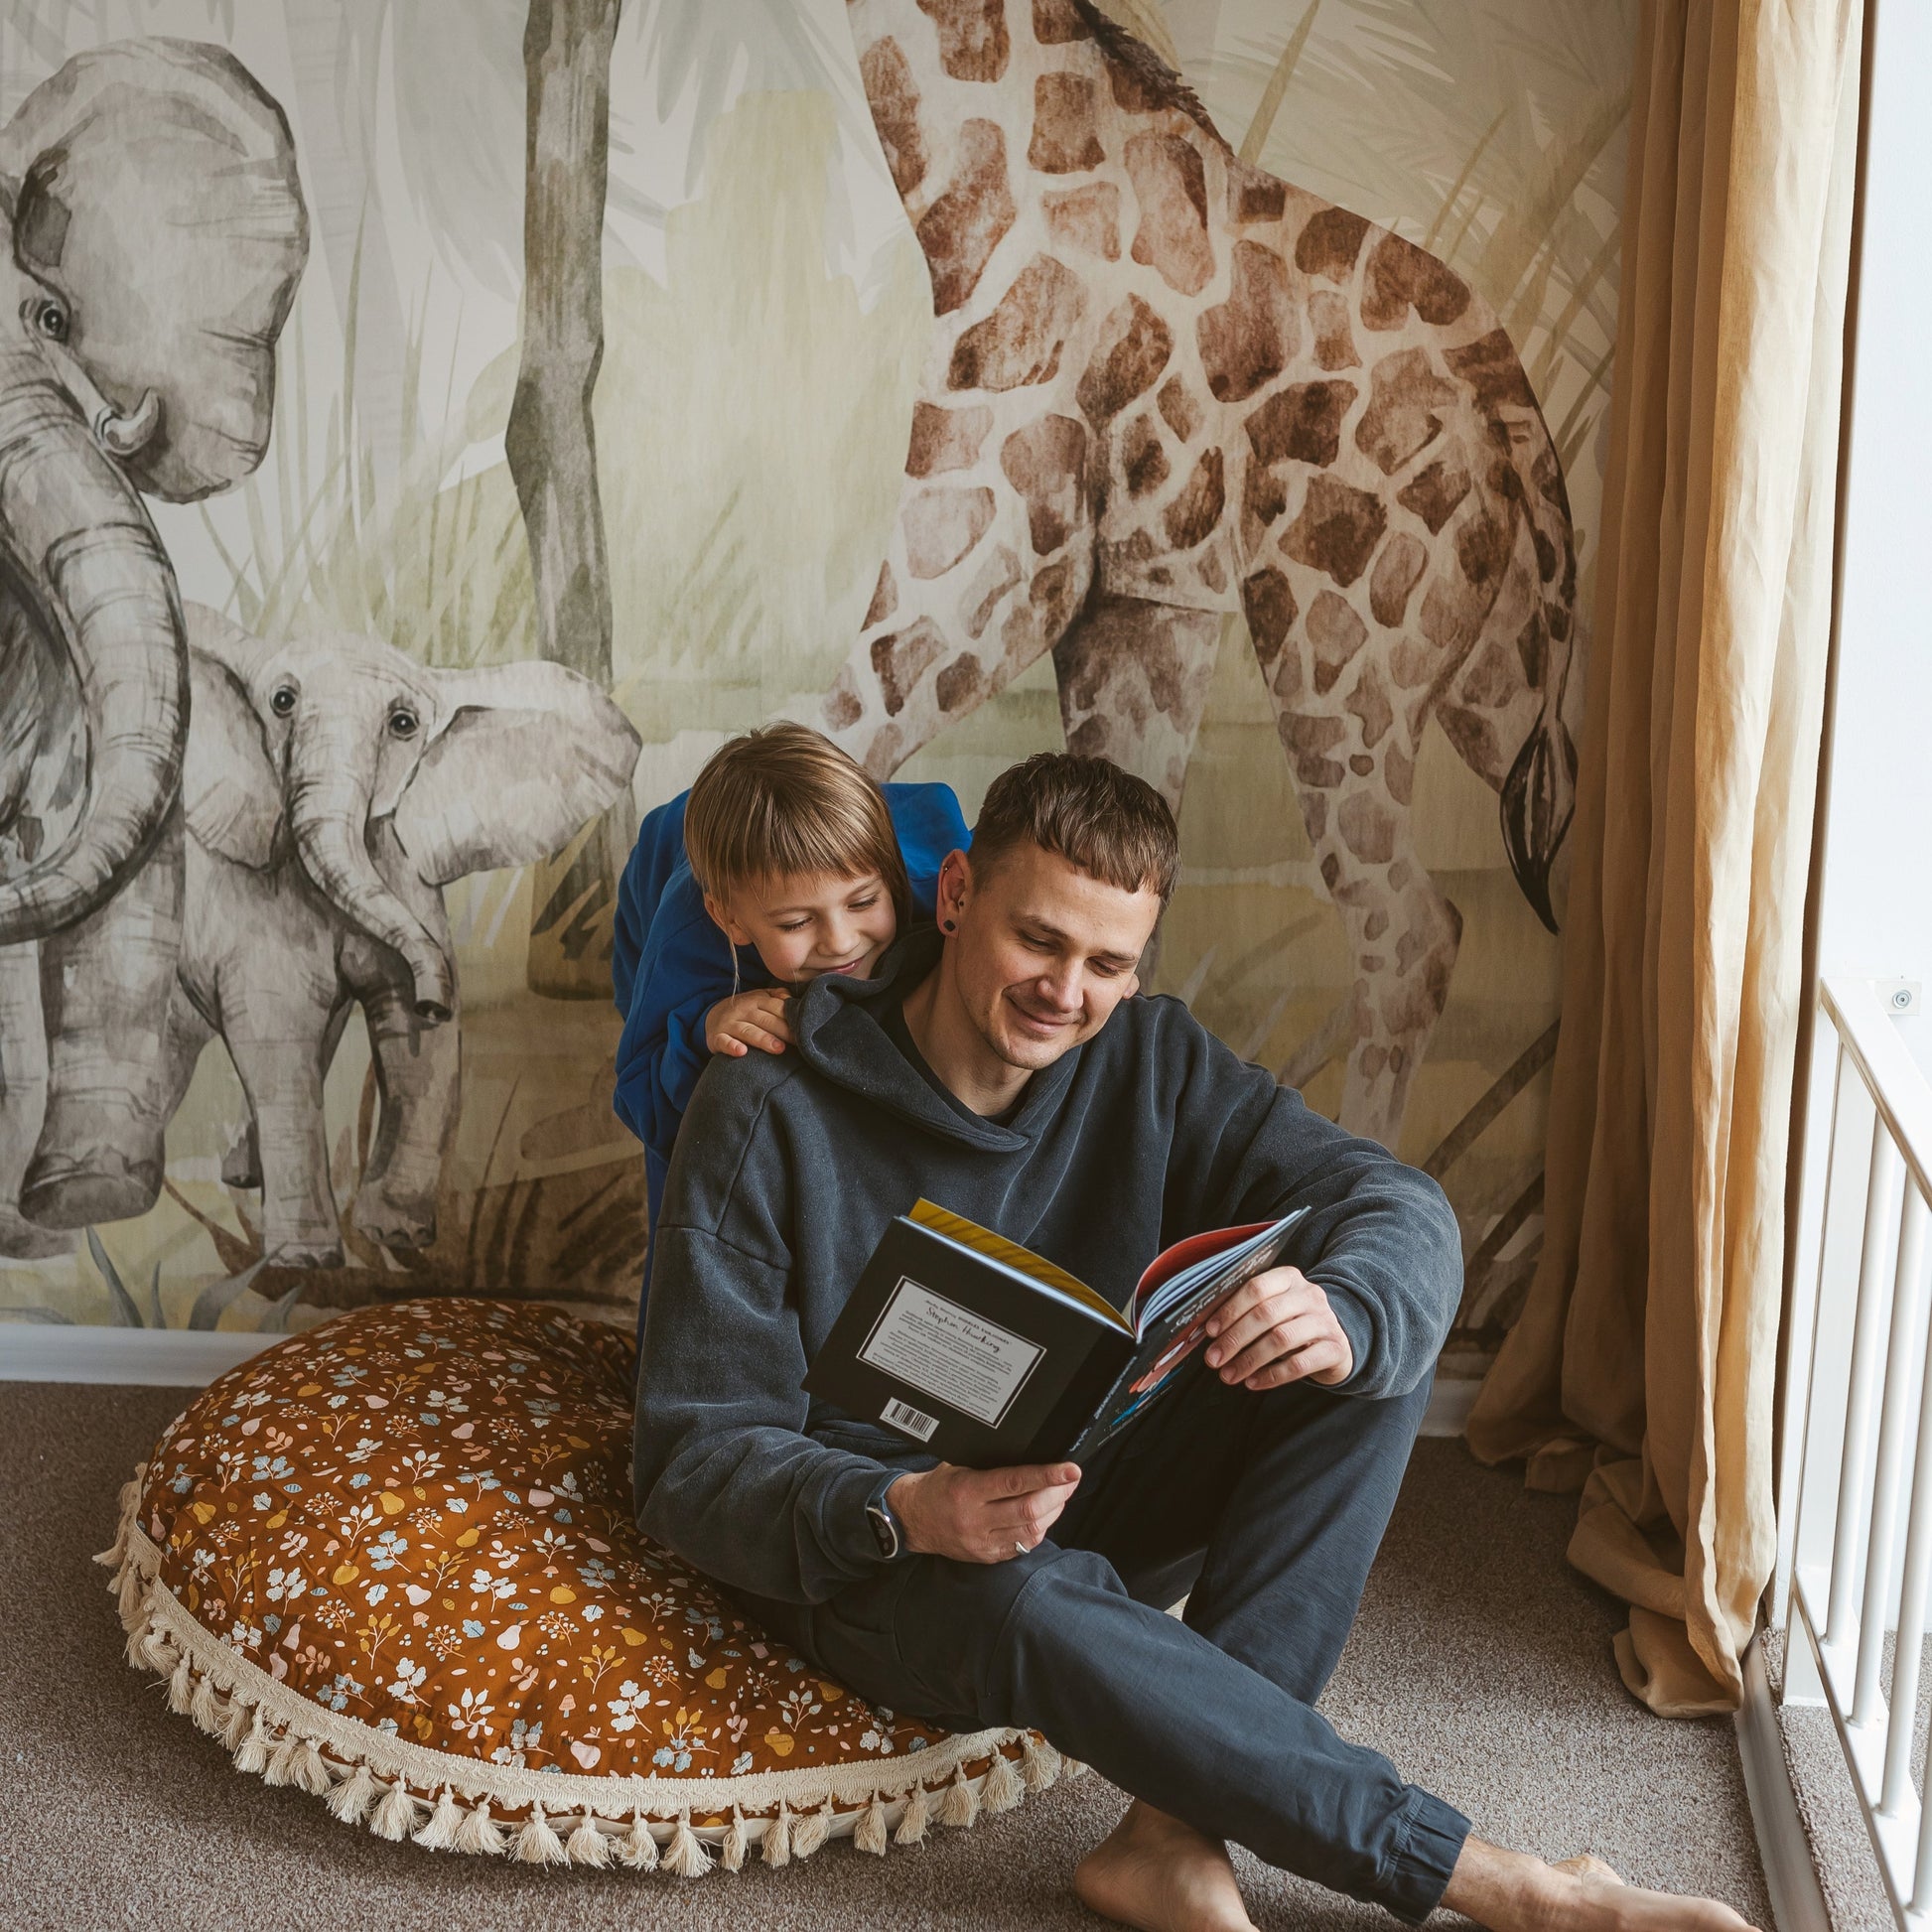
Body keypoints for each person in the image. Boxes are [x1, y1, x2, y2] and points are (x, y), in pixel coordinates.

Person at [632, 752, 1755, 1932]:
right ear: (955, 894)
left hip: (1081, 1474)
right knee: (1026, 1594)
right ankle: (1502, 1883)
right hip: (885, 1548)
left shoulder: (1146, 1057)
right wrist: (912, 1504)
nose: (1065, 991)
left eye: (1107, 962)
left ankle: (1171, 1833)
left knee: (1356, 1344)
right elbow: (692, 1459)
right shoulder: (762, 1102)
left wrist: (1346, 1309)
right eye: (1039, 941)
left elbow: (1395, 1202)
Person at [610, 722, 968, 1337]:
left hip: (873, 841)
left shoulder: (936, 876)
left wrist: (1100, 963)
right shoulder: (692, 931)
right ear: (732, 917)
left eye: (861, 904)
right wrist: (700, 1030)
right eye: (799, 921)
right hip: (661, 869)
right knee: (687, 1165)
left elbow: (1032, 905)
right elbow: (641, 1093)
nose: (840, 940)